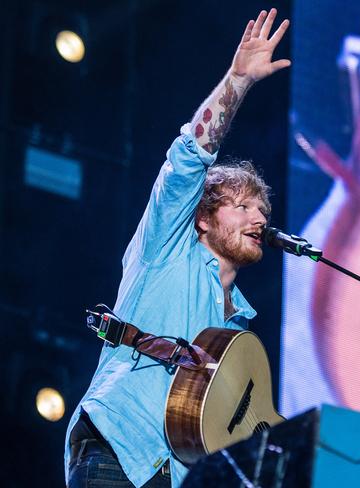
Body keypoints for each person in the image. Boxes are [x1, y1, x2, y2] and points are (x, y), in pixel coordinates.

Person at [64, 8, 290, 487]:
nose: (260, 218)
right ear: (203, 218)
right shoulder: (165, 247)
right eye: (244, 206)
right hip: (120, 449)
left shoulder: (239, 324)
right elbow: (188, 157)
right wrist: (239, 79)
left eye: (263, 210)